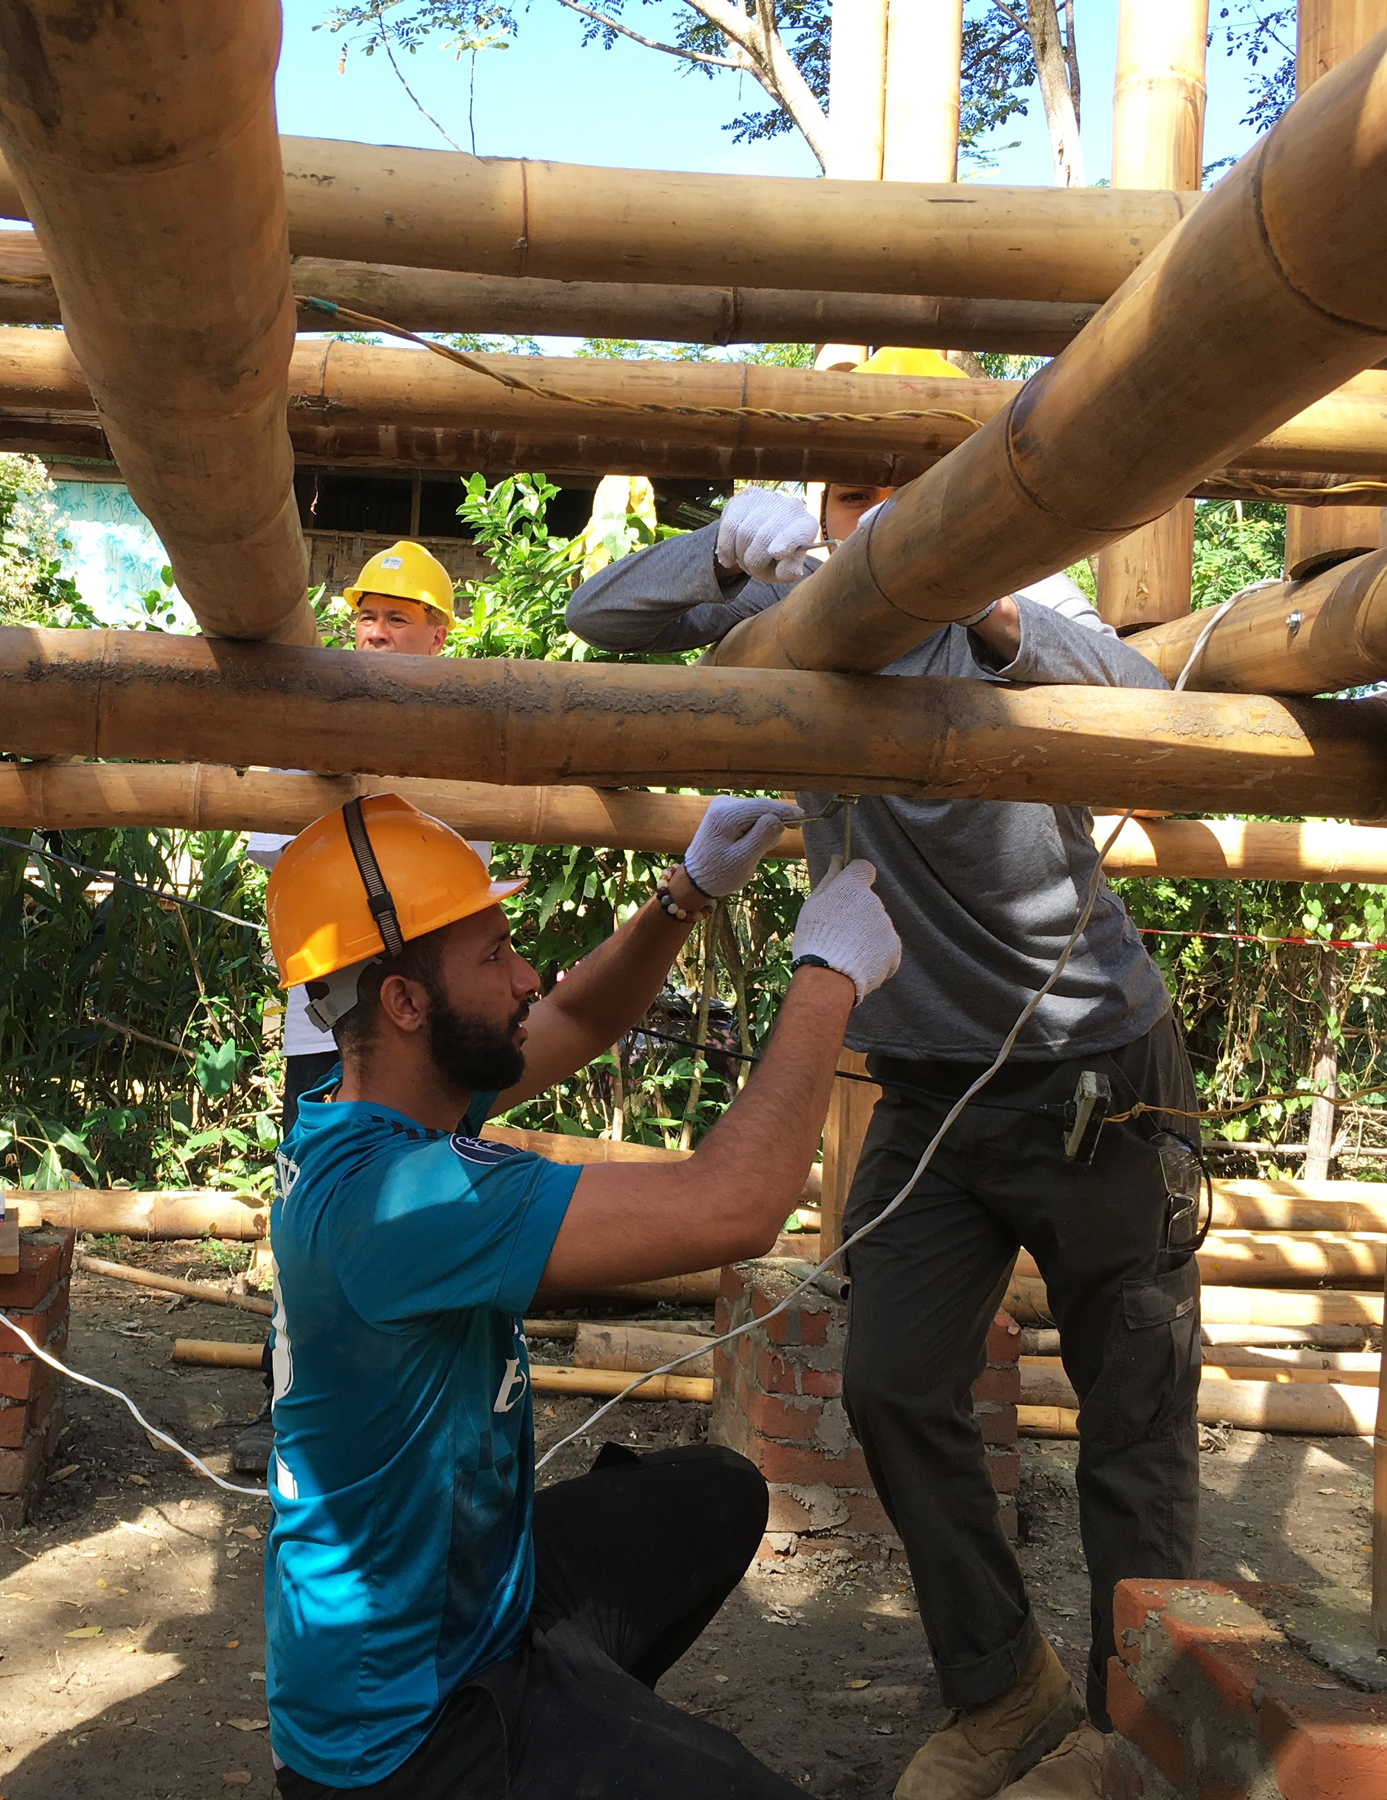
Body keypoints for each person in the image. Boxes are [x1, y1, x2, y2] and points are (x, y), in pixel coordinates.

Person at [566, 408, 1203, 1799]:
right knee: (892, 1383)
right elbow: (594, 614)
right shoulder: (799, 620)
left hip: (1096, 1077)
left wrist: (990, 605)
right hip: (929, 1090)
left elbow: (1155, 704)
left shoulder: (1012, 630)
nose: (881, 521)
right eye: (853, 490)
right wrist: (727, 563)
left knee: (1132, 1422)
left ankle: (1141, 1741)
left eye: (909, 492)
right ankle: (1005, 1689)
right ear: (819, 503)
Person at [260, 791, 901, 1797]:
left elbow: (573, 1017)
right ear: (403, 1003)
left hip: (462, 1602)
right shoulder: (395, 1203)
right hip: (407, 1731)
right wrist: (828, 978)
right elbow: (735, 1205)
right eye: (493, 956)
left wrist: (686, 895)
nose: (523, 977)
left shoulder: (373, 1107)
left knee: (717, 1497)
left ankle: (580, 1730)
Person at [245, 539, 484, 1134]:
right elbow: (281, 865)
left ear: (438, 637)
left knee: (430, 1184)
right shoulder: (307, 728)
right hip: (327, 1025)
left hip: (433, 1015)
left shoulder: (468, 739)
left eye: (397, 618)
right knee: (325, 1178)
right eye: (366, 616)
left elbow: (467, 891)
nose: (375, 633)